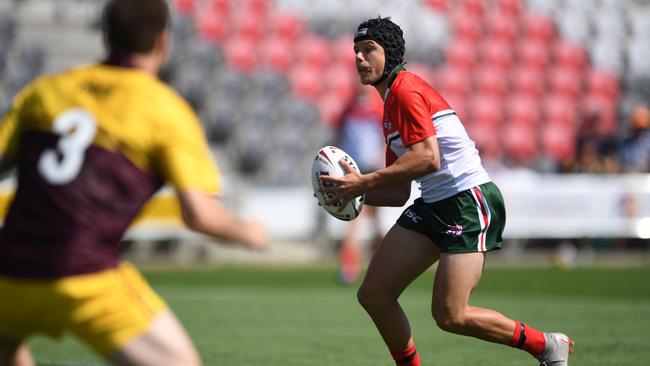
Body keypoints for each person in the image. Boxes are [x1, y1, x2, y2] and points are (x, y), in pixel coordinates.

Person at [0, 1, 268, 365]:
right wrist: (250, 233)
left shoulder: (45, 91)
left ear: (106, 36)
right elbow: (200, 216)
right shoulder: (164, 109)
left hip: (10, 272)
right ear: (163, 41)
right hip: (85, 275)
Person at [320, 16, 574, 366]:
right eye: (356, 51)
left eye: (369, 49)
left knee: (450, 314)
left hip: (468, 201)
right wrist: (350, 194)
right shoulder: (390, 107)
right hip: (433, 203)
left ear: (390, 54)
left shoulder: (406, 90)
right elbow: (398, 192)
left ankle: (546, 345)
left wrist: (362, 182)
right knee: (375, 294)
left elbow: (428, 159)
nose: (360, 58)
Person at [335, 83, 385, 284]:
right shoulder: (350, 110)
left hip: (371, 169)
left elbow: (384, 140)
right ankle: (352, 268)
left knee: (370, 221)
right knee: (357, 221)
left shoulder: (375, 109)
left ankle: (369, 266)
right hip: (357, 169)